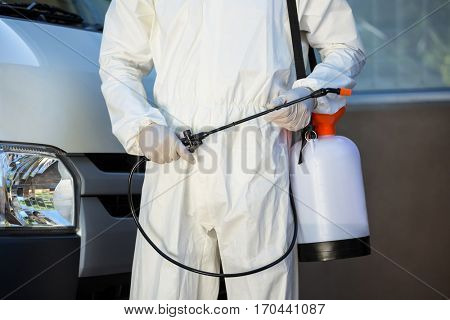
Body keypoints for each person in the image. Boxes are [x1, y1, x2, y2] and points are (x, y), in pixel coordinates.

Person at [99, 0, 365, 300]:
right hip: (174, 153)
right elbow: (118, 59)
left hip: (260, 152)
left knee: (262, 298)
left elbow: (345, 47)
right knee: (165, 297)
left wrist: (310, 93)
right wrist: (141, 127)